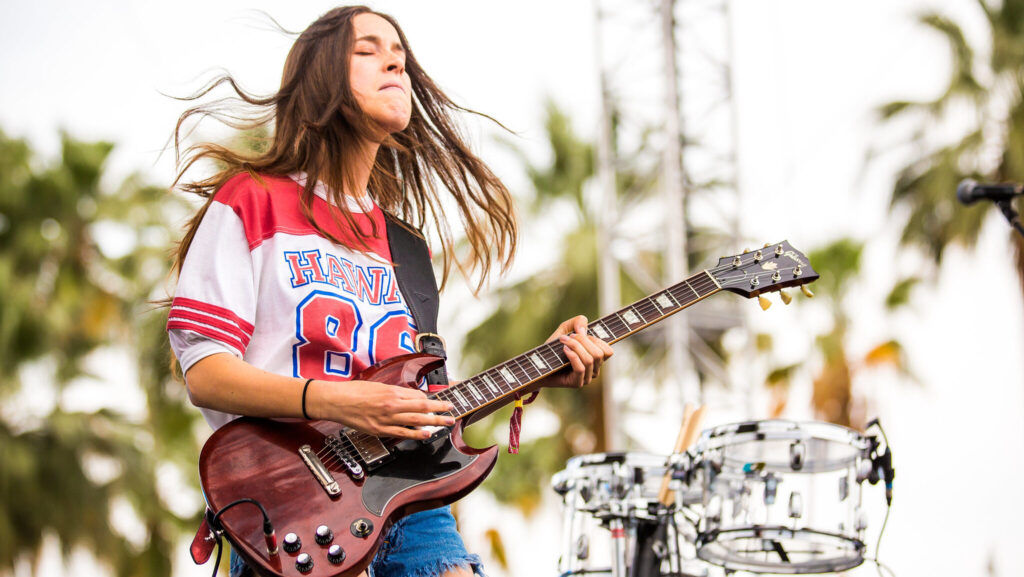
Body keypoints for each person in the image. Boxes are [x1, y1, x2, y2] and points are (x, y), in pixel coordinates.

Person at [167, 6, 613, 577]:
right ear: (321, 75)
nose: (394, 63)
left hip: (411, 502)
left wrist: (542, 367)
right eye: (369, 50)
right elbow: (205, 372)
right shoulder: (252, 201)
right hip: (294, 500)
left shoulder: (404, 246)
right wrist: (340, 401)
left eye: (399, 55)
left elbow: (421, 404)